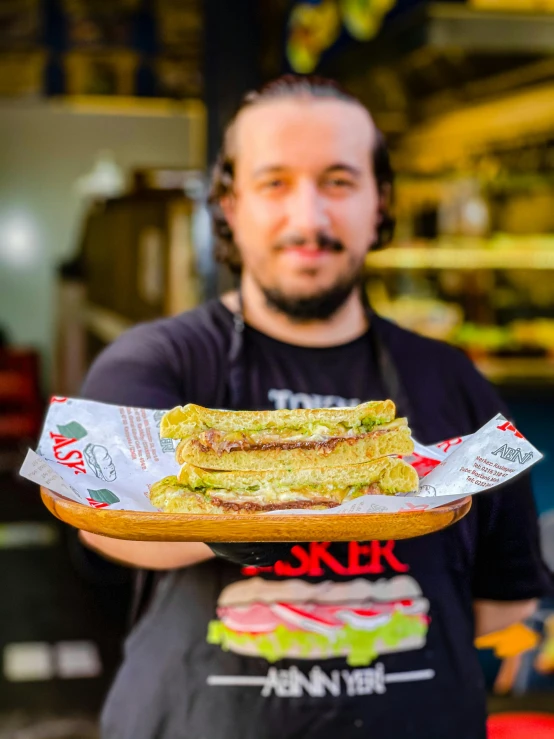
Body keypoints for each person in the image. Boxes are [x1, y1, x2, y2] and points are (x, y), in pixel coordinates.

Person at [77, 75, 550, 739]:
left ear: (379, 201)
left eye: (338, 181)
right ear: (230, 204)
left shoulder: (452, 380)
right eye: (275, 182)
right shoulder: (158, 359)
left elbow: (507, 601)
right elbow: (105, 514)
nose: (309, 218)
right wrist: (252, 512)